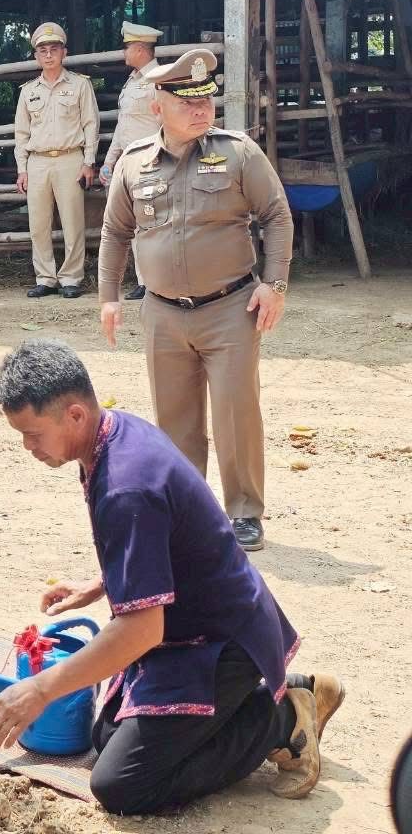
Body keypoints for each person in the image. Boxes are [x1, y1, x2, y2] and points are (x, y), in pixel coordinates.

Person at [0, 339, 343, 814]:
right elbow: (169, 537)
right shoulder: (112, 432)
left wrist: (41, 689)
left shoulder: (125, 484)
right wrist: (103, 583)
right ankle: (273, 696)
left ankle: (281, 719)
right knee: (106, 736)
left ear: (75, 415)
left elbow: (141, 630)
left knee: (121, 785)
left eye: (33, 433)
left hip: (222, 642)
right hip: (188, 623)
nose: (28, 447)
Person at [98, 48, 293, 552]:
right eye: (187, 101)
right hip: (162, 312)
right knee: (175, 421)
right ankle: (189, 512)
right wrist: (109, 297)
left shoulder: (238, 153)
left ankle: (244, 513)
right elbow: (115, 232)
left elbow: (276, 215)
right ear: (158, 105)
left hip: (231, 308)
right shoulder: (134, 163)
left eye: (206, 99)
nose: (201, 109)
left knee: (236, 414)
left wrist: (274, 284)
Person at [13, 22, 99, 299]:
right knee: (38, 224)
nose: (48, 55)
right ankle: (45, 277)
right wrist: (22, 168)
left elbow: (90, 125)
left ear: (64, 53)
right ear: (36, 56)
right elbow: (21, 133)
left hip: (70, 158)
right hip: (37, 161)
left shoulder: (80, 85)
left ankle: (71, 277)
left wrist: (88, 162)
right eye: (43, 51)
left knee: (73, 222)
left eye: (54, 49)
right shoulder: (28, 91)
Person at [100, 22, 163, 302]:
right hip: (129, 163)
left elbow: (166, 122)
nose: (123, 52)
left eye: (126, 47)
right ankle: (144, 281)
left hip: (150, 160)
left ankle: (156, 281)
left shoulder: (159, 79)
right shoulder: (132, 81)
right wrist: (109, 161)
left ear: (139, 49)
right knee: (137, 224)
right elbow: (123, 126)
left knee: (152, 223)